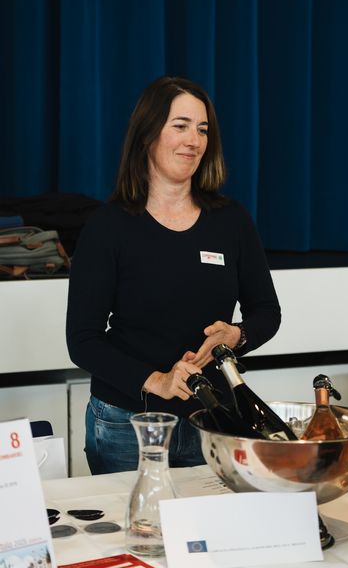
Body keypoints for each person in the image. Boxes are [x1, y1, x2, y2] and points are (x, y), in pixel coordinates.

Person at [66, 76, 281, 474]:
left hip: (212, 420)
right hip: (127, 424)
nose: (194, 141)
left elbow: (267, 311)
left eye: (202, 129)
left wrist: (236, 336)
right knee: (133, 519)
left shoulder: (230, 220)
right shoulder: (108, 226)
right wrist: (158, 380)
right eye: (180, 126)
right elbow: (83, 340)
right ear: (148, 134)